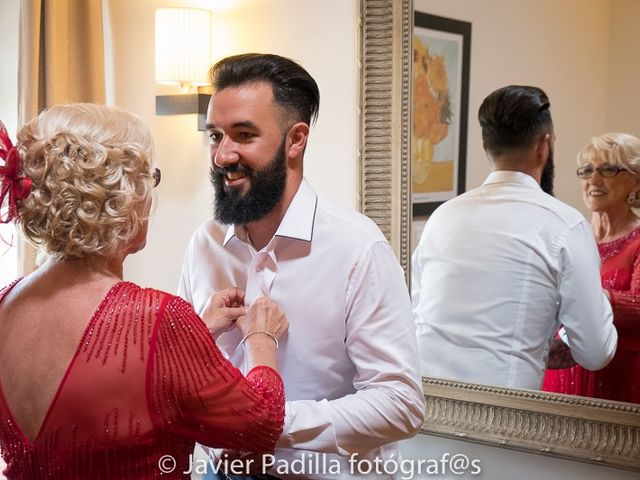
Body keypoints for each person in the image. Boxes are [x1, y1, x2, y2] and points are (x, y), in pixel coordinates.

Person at [0, 104, 289, 479]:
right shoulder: (156, 318)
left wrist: (196, 336)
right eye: (149, 179)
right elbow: (260, 426)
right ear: (124, 196)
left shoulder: (6, 304)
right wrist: (262, 339)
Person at [178, 53, 425, 479]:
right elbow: (180, 381)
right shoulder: (204, 246)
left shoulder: (357, 249)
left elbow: (400, 403)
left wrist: (273, 423)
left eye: (243, 135)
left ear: (296, 140)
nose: (222, 155)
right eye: (215, 135)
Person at [411, 85, 618, 391]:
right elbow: (595, 351)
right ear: (544, 146)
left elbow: (419, 314)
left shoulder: (442, 217)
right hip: (504, 422)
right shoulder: (565, 225)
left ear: (485, 144)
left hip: (426, 410)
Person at [544, 133, 640, 403]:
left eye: (608, 169)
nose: (593, 181)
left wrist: (599, 298)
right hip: (560, 376)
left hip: (620, 382)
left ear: (636, 179)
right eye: (587, 171)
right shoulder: (568, 236)